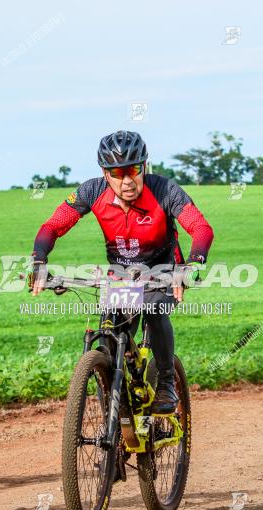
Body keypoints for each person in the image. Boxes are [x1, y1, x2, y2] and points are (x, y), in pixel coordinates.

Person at [29, 130, 214, 414]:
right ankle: (115, 414)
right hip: (123, 277)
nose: (127, 181)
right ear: (105, 173)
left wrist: (192, 264)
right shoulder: (91, 192)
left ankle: (165, 381)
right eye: (117, 172)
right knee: (109, 337)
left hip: (164, 272)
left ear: (144, 166)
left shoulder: (165, 190)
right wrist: (39, 259)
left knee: (153, 310)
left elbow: (201, 228)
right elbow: (52, 226)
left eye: (134, 170)